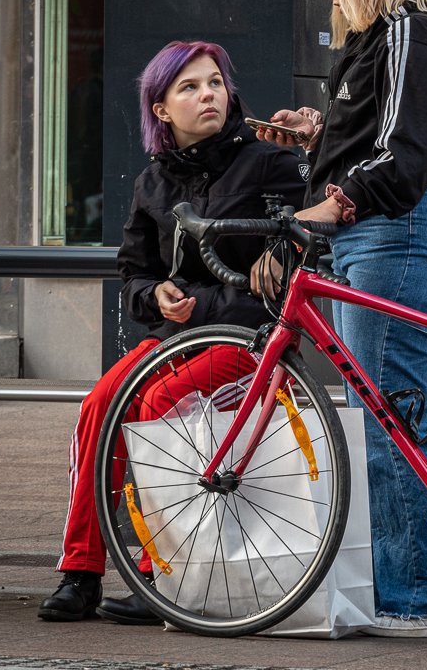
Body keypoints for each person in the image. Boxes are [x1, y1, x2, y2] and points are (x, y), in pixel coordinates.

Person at [254, 0, 427, 639]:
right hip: (387, 236)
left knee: (394, 418)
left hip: (398, 234)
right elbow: (389, 132)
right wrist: (318, 136)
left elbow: (408, 149)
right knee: (393, 414)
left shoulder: (409, 32)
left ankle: (424, 599)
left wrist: (339, 199)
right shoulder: (380, 43)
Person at [37, 40, 309, 624]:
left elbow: (290, 271)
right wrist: (154, 294)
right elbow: (134, 272)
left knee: (160, 403)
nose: (207, 94)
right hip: (177, 337)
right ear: (161, 109)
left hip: (251, 342)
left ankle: (166, 575)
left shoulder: (269, 162)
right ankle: (80, 572)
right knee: (99, 406)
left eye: (214, 82)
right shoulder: (153, 183)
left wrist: (201, 300)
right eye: (188, 87)